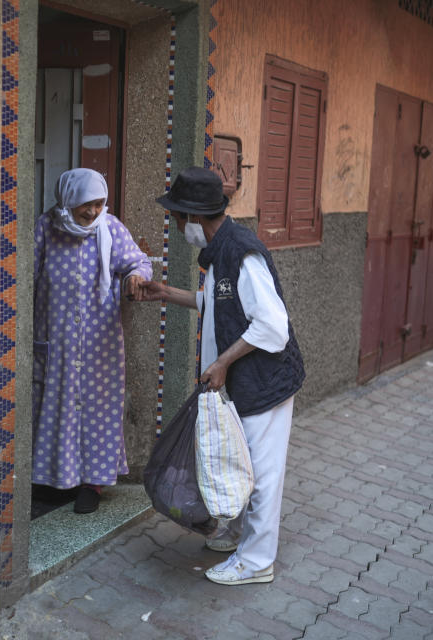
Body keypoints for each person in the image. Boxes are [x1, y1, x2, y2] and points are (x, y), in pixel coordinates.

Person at [138, 166, 304, 585]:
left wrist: (223, 362)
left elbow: (271, 325)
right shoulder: (218, 252)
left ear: (195, 217)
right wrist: (167, 293)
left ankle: (257, 561)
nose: (177, 226)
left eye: (178, 217)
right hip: (238, 385)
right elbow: (219, 304)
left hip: (263, 384)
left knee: (262, 476)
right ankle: (232, 535)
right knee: (236, 463)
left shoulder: (242, 253)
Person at [32, 168, 152, 514]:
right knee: (57, 407)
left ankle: (93, 483)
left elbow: (138, 263)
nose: (93, 212)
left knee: (98, 410)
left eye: (100, 204)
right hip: (57, 342)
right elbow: (25, 273)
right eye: (87, 204)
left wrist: (135, 278)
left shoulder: (110, 229)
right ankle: (58, 480)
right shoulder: (47, 228)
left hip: (100, 344)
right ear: (68, 200)